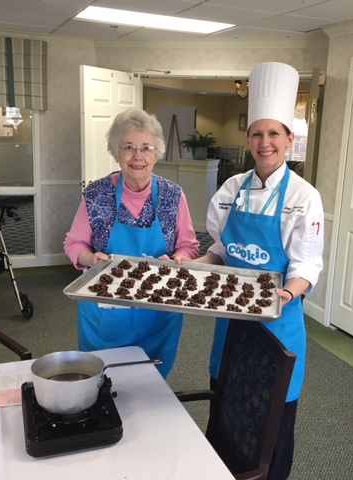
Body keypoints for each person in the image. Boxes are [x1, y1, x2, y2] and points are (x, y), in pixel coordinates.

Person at [192, 62, 324, 480]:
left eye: (274, 134)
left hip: (276, 327)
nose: (264, 142)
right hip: (232, 323)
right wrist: (192, 266)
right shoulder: (231, 190)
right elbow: (220, 249)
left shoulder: (304, 197)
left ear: (289, 139)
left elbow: (305, 266)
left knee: (271, 429)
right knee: (226, 411)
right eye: (256, 133)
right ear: (248, 138)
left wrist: (283, 294)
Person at [64, 108, 200, 378]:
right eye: (128, 147)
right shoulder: (96, 194)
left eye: (146, 148)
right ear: (116, 153)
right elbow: (74, 244)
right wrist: (90, 259)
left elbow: (189, 246)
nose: (138, 156)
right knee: (104, 382)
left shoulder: (174, 196)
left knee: (151, 384)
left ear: (157, 153)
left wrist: (177, 260)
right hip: (106, 313)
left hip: (158, 309)